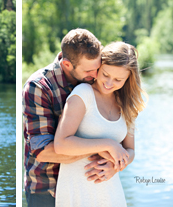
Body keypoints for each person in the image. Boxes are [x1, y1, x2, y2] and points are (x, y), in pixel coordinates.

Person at [22, 29, 121, 206]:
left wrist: (115, 163)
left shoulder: (93, 80)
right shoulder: (38, 87)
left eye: (98, 68)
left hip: (85, 187)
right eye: (90, 70)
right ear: (67, 65)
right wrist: (105, 148)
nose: (96, 75)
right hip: (47, 190)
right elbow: (43, 152)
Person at [53, 42, 145, 206]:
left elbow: (130, 151)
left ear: (129, 79)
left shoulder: (127, 105)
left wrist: (115, 166)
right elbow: (60, 144)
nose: (109, 83)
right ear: (98, 67)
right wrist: (108, 144)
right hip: (78, 189)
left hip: (111, 191)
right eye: (105, 75)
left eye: (118, 79)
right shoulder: (83, 94)